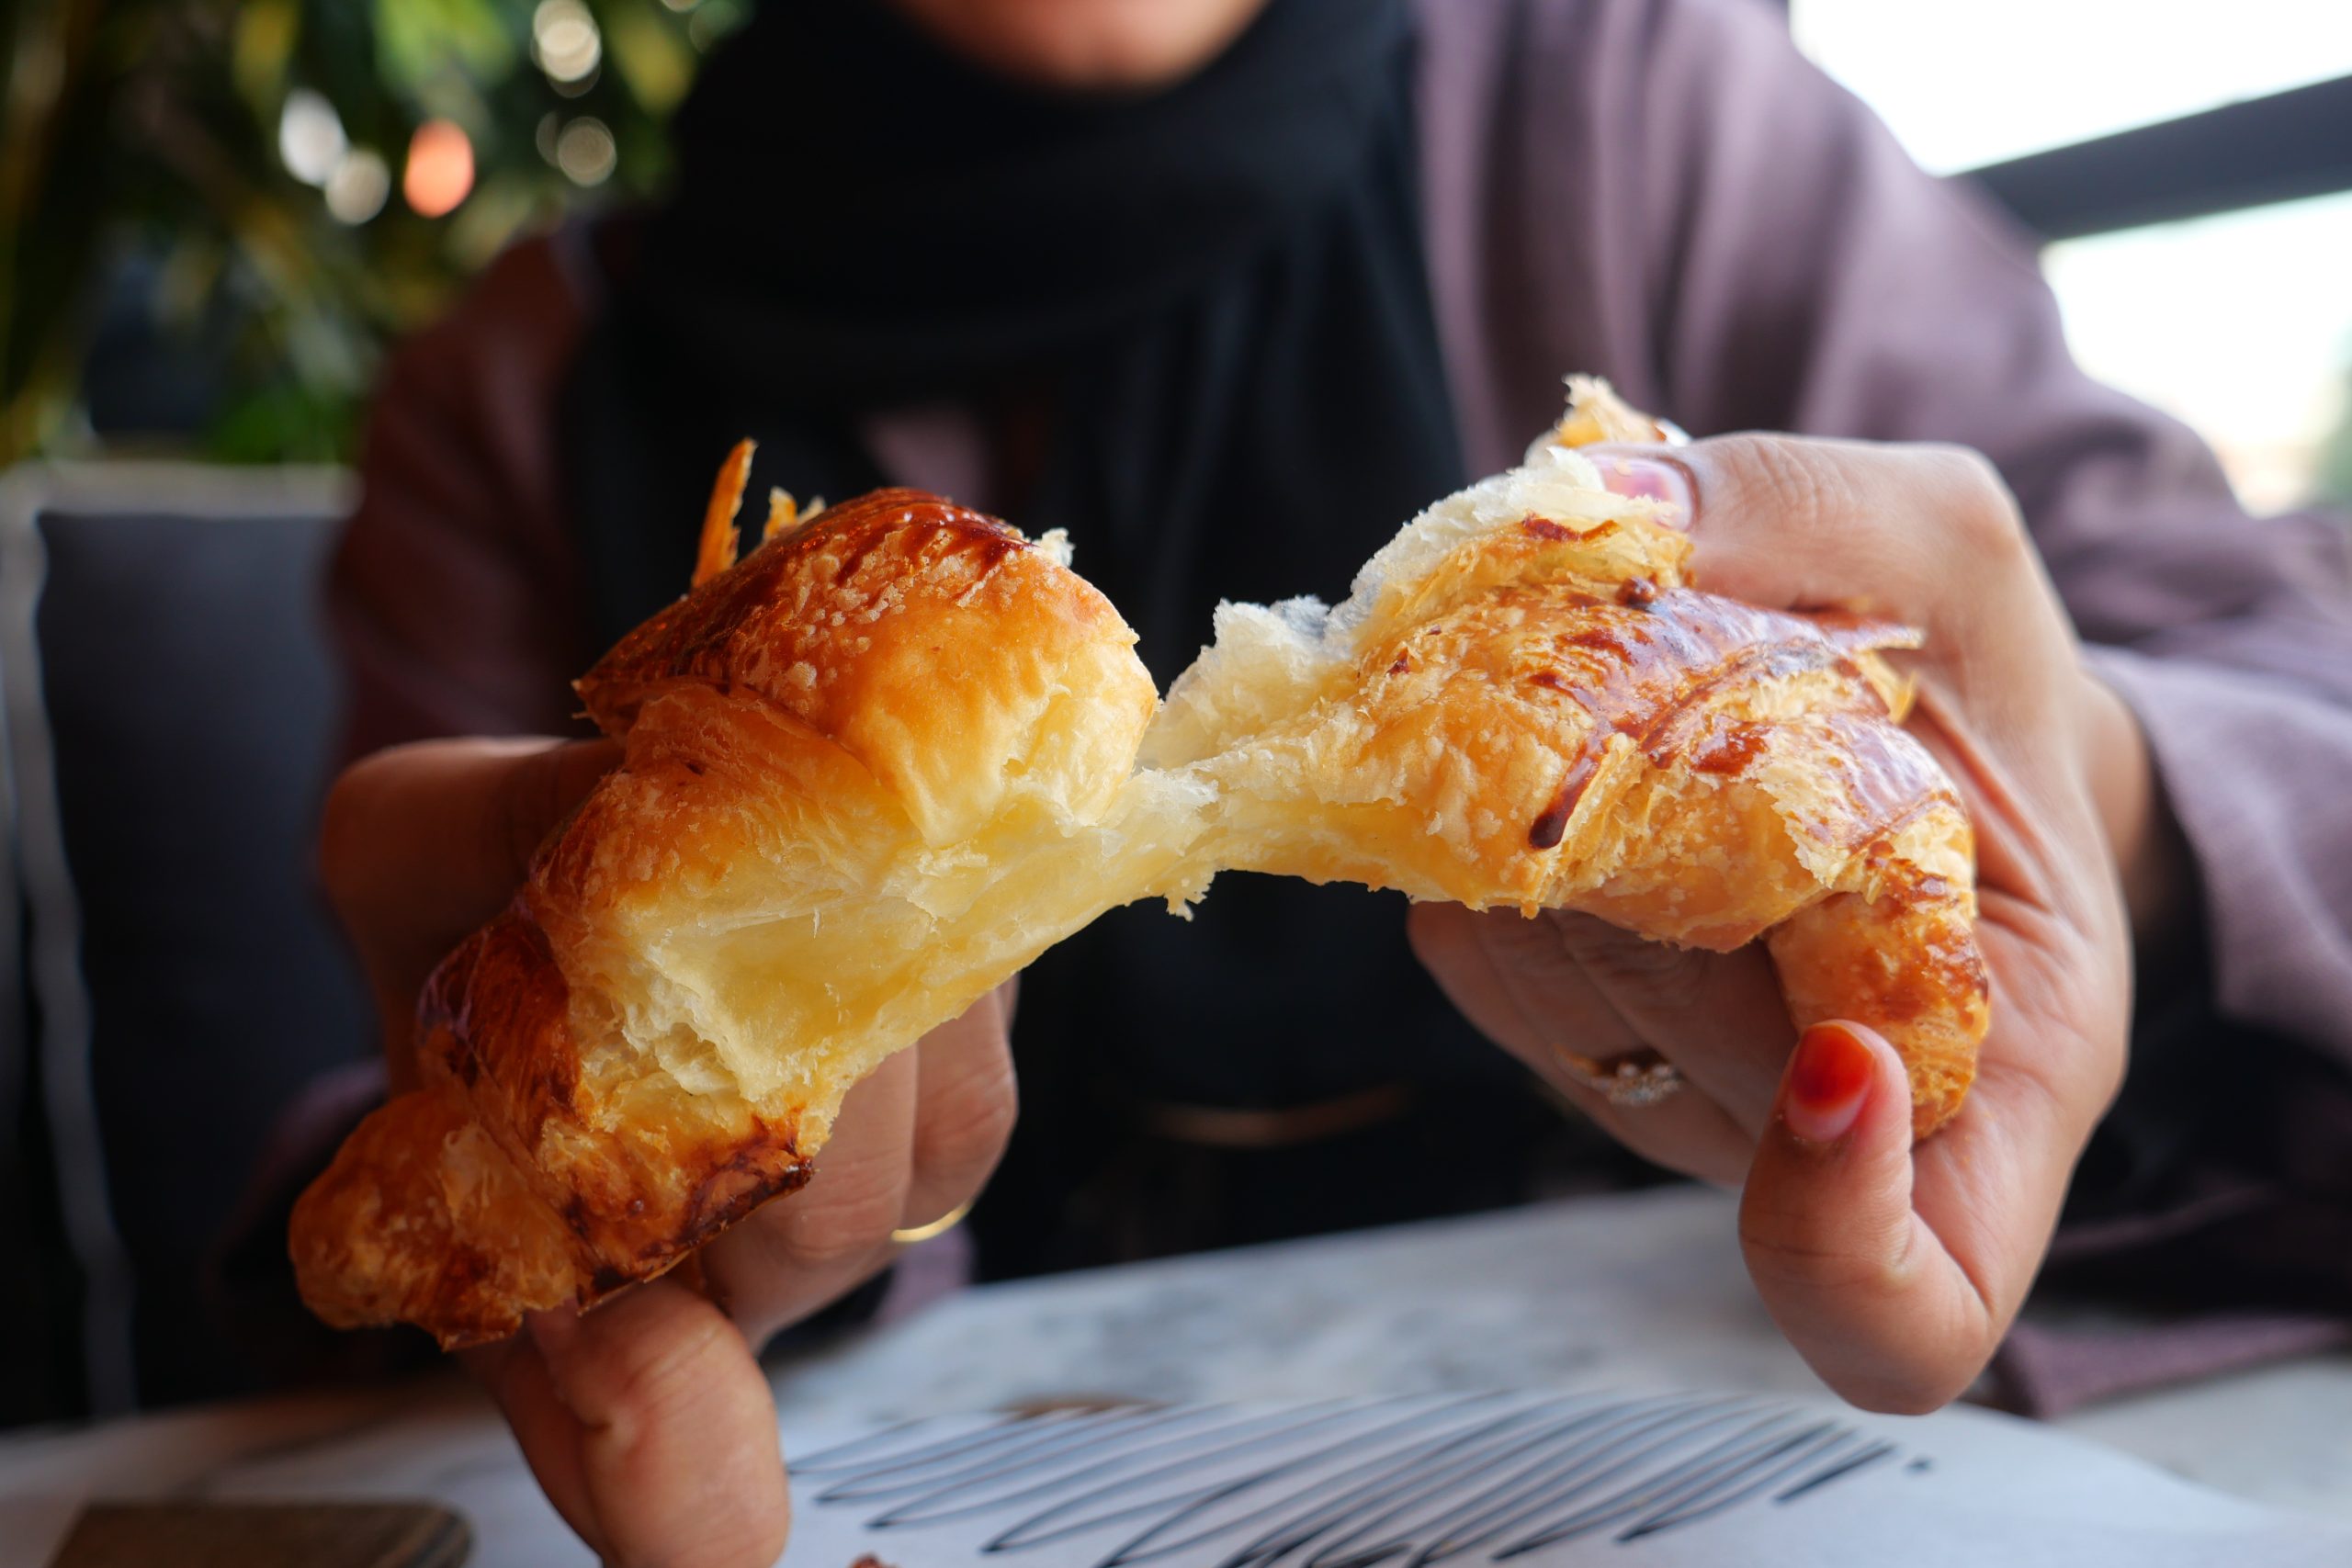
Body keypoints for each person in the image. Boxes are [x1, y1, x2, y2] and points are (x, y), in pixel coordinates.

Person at [316, 0, 2352, 1563]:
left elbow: (2296, 685)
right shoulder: (518, 392)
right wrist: (578, 1133)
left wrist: (2105, 797)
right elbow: (342, 1182)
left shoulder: (1636, 116)